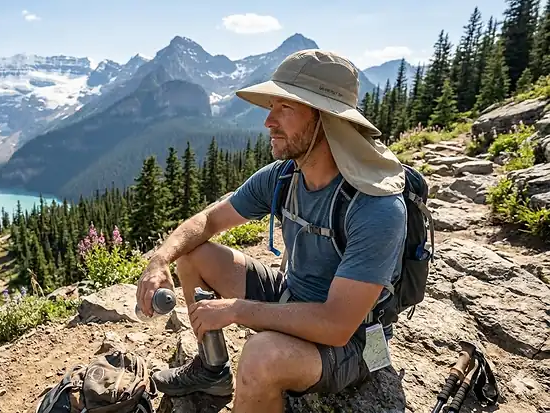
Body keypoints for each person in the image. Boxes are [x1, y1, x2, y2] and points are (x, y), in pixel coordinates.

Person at [135, 49, 407, 412]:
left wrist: (236, 310)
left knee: (260, 356)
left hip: (356, 341)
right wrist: (159, 259)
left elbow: (337, 325)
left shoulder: (376, 208)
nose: (268, 121)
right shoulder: (284, 176)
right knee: (194, 255)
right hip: (291, 296)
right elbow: (209, 222)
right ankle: (213, 370)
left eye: (285, 108)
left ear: (326, 119)